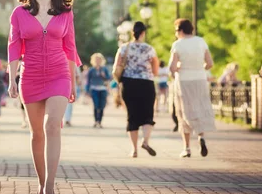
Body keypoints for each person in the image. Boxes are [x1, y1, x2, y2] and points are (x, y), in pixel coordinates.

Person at [7, 0, 81, 194]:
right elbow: (14, 47)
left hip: (59, 74)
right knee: (36, 134)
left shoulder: (65, 12)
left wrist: (71, 82)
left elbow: (70, 47)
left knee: (53, 126)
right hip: (31, 77)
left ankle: (50, 185)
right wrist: (12, 80)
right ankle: (40, 183)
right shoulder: (19, 13)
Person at [169, 18, 216, 158]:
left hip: (184, 80)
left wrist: (177, 69)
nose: (176, 33)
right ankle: (201, 136)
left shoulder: (177, 44)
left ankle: (187, 148)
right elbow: (209, 63)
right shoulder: (201, 41)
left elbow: (172, 67)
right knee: (199, 108)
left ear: (181, 30)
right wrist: (199, 68)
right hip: (200, 79)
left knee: (184, 113)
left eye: (176, 30)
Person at [113, 21, 159, 158]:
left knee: (132, 116)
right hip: (146, 83)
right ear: (143, 33)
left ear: (132, 32)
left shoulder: (124, 48)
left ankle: (134, 150)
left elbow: (116, 66)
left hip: (129, 84)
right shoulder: (149, 49)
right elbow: (155, 70)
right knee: (147, 115)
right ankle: (145, 141)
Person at [86, 53, 110, 128]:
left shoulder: (104, 69)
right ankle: (96, 121)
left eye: (99, 59)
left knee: (102, 106)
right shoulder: (91, 70)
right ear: (93, 61)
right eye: (96, 59)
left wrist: (104, 76)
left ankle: (100, 121)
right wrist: (87, 91)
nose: (98, 61)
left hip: (103, 89)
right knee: (96, 105)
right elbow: (88, 81)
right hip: (94, 89)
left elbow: (108, 78)